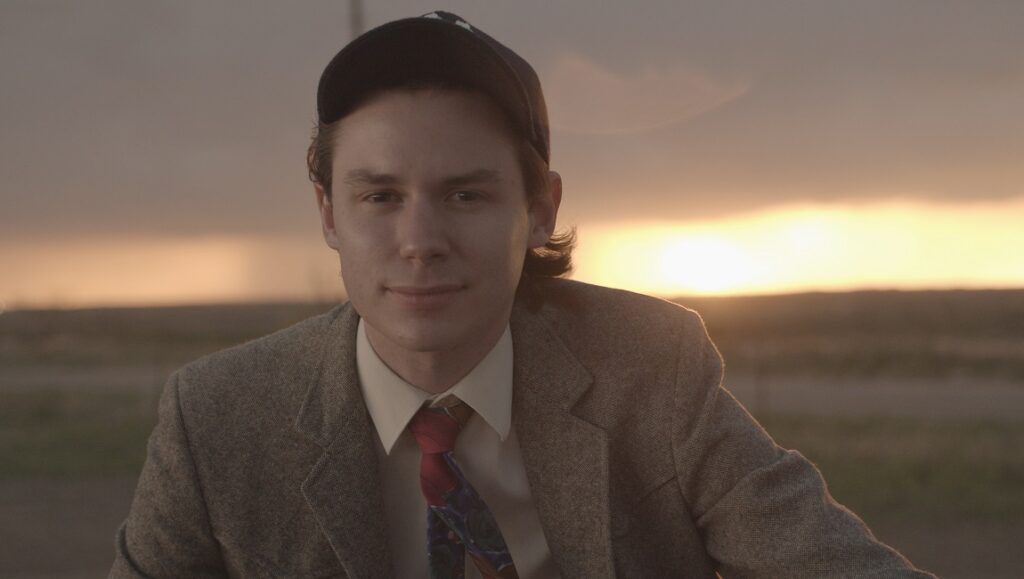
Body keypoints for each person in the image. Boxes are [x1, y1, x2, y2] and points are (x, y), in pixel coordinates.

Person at [112, 11, 935, 578]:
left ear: (540, 208)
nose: (420, 239)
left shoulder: (650, 367)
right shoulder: (216, 417)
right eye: (380, 196)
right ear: (329, 213)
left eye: (465, 194)